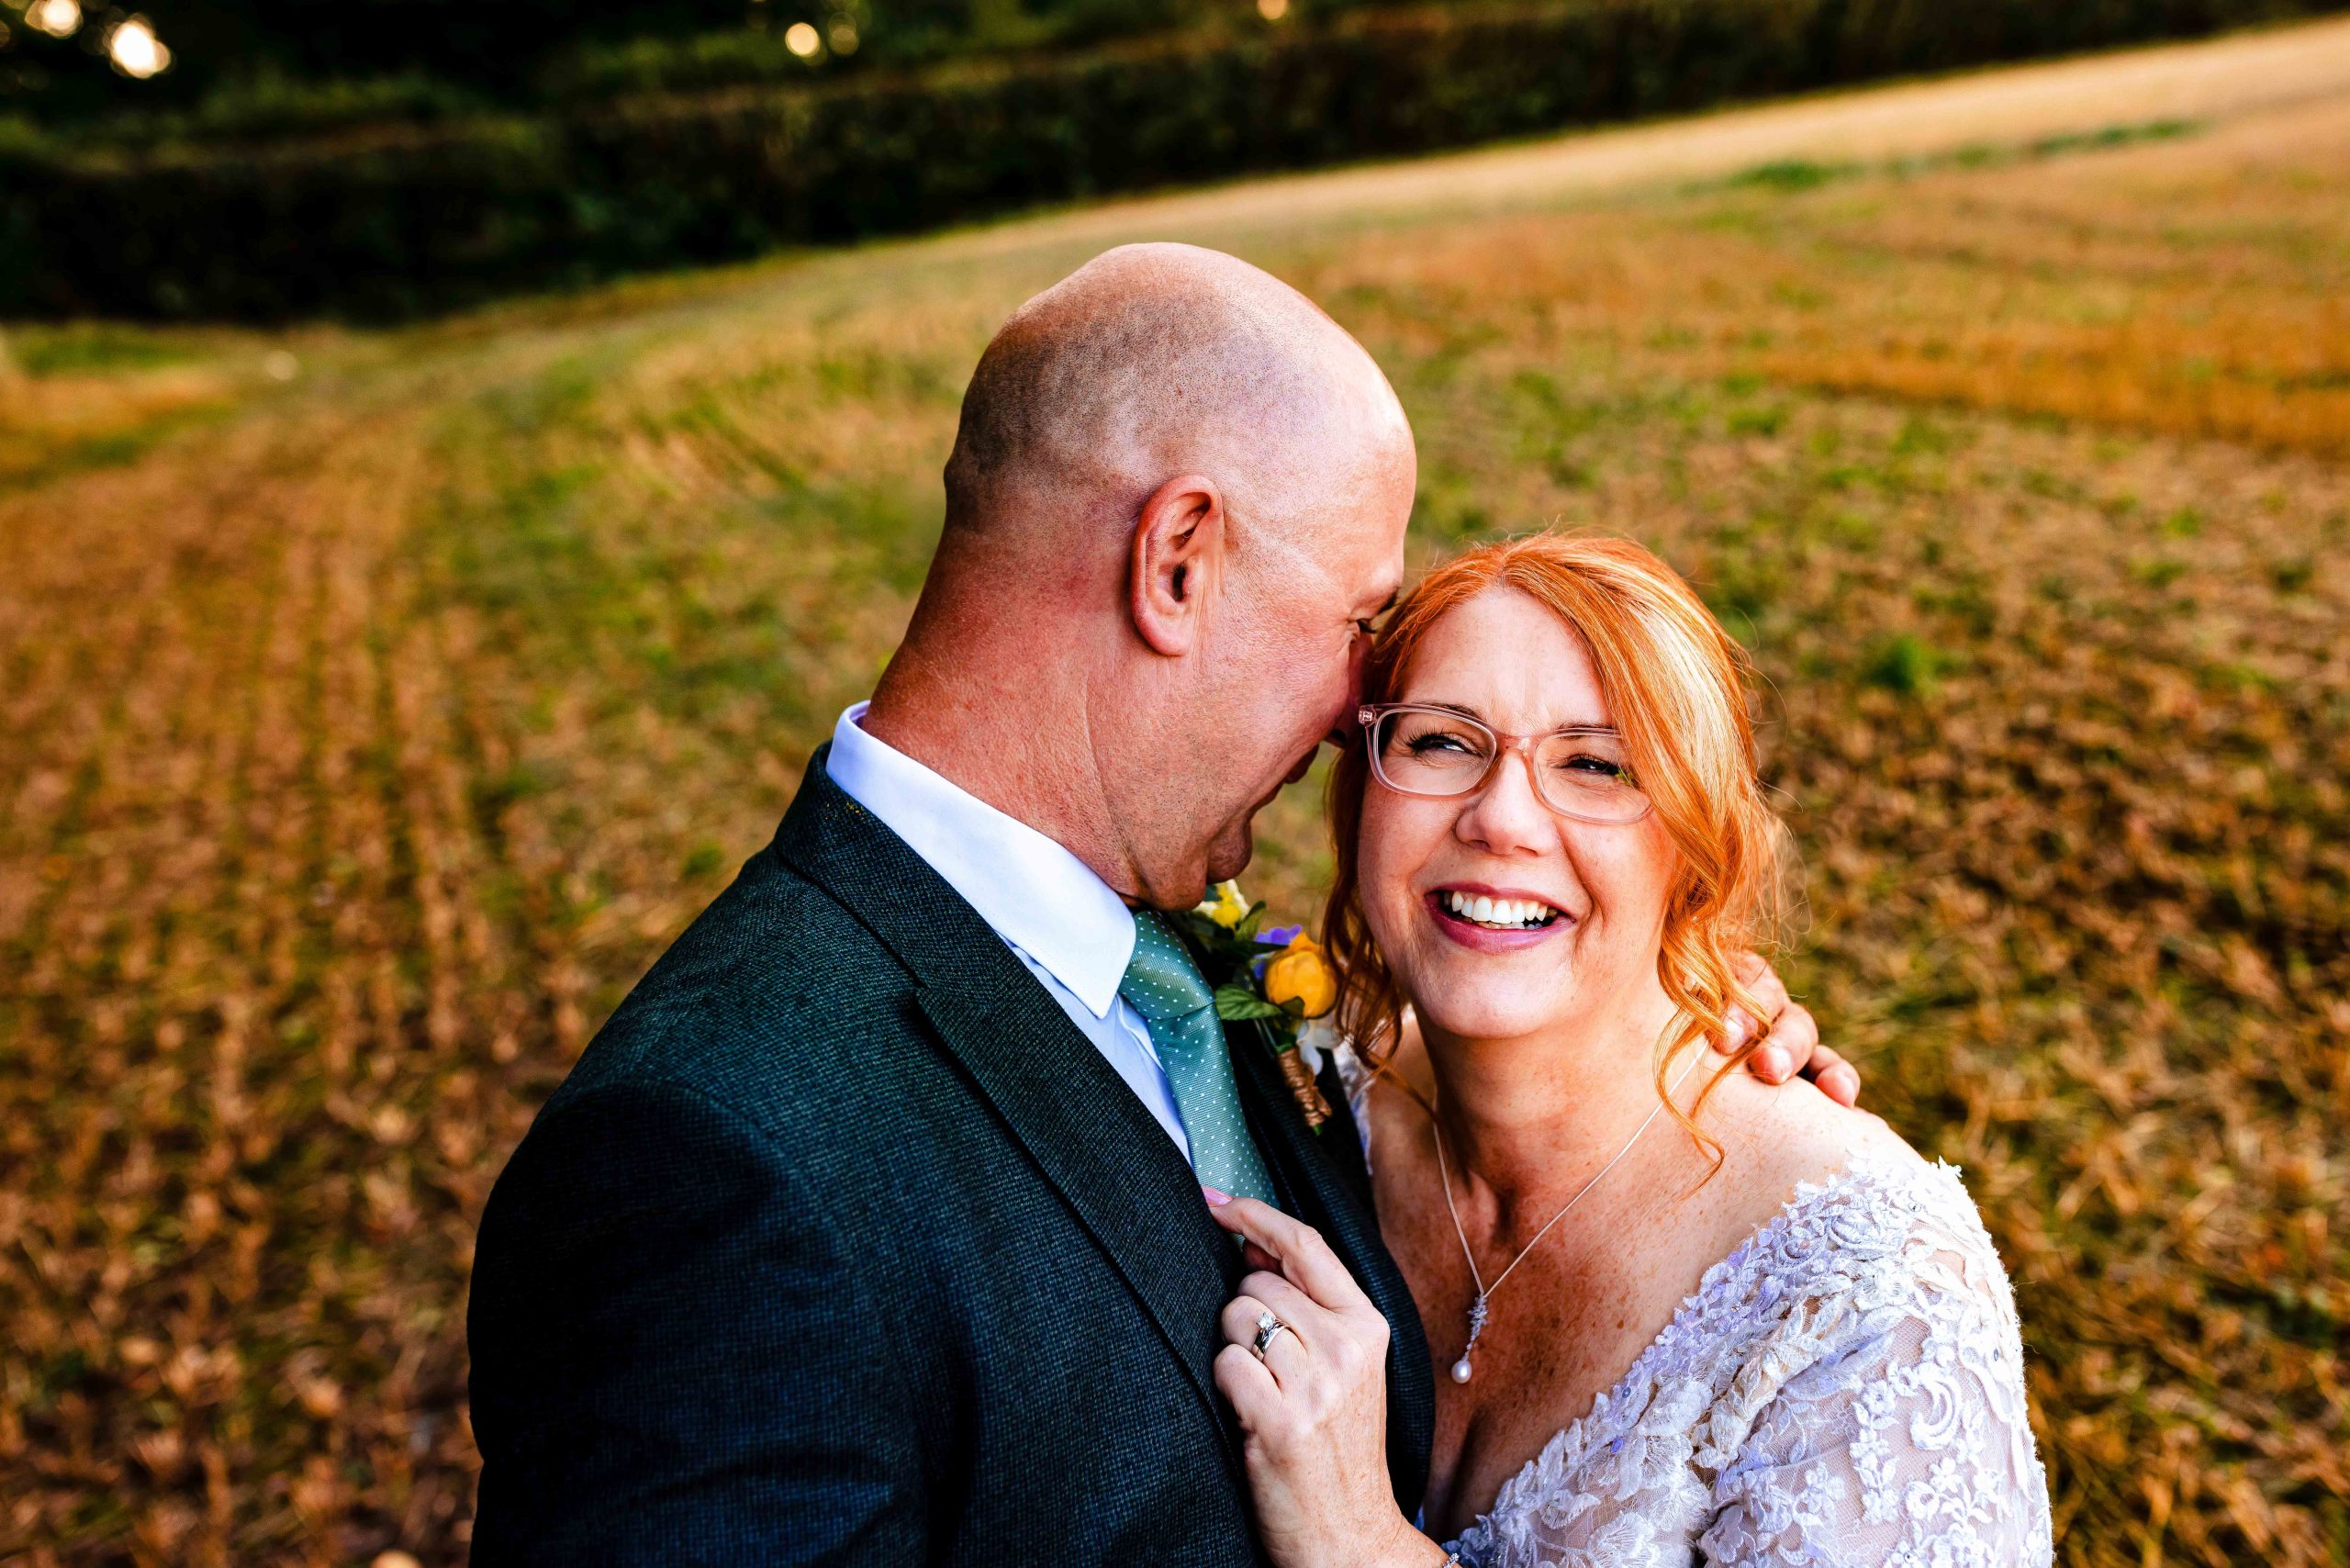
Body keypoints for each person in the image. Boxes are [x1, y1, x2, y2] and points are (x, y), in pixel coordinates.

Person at [464, 246, 1854, 1564]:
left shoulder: (1179, 967)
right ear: (1177, 560)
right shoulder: (717, 1161)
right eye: (1361, 625)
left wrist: (1659, 1032)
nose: (1360, 714)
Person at [1204, 533, 2052, 1567]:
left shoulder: (1865, 1300)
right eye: (1440, 741)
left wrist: (1358, 1547)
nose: (1503, 818)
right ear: (1362, 792)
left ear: (1694, 848)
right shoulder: (1292, 1096)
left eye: (1596, 764)